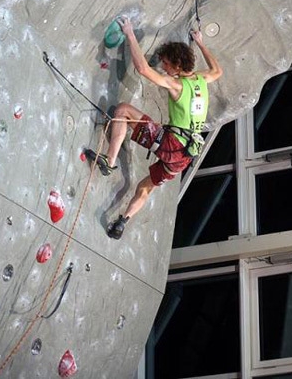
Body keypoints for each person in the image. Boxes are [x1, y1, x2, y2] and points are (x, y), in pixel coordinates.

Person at [85, 18, 223, 239]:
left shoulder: (177, 85)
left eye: (167, 64)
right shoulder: (201, 79)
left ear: (177, 67)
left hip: (172, 143)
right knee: (145, 187)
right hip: (185, 156)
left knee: (122, 110)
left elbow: (143, 69)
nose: (164, 67)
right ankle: (122, 222)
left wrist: (130, 33)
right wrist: (200, 43)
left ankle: (109, 163)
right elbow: (217, 70)